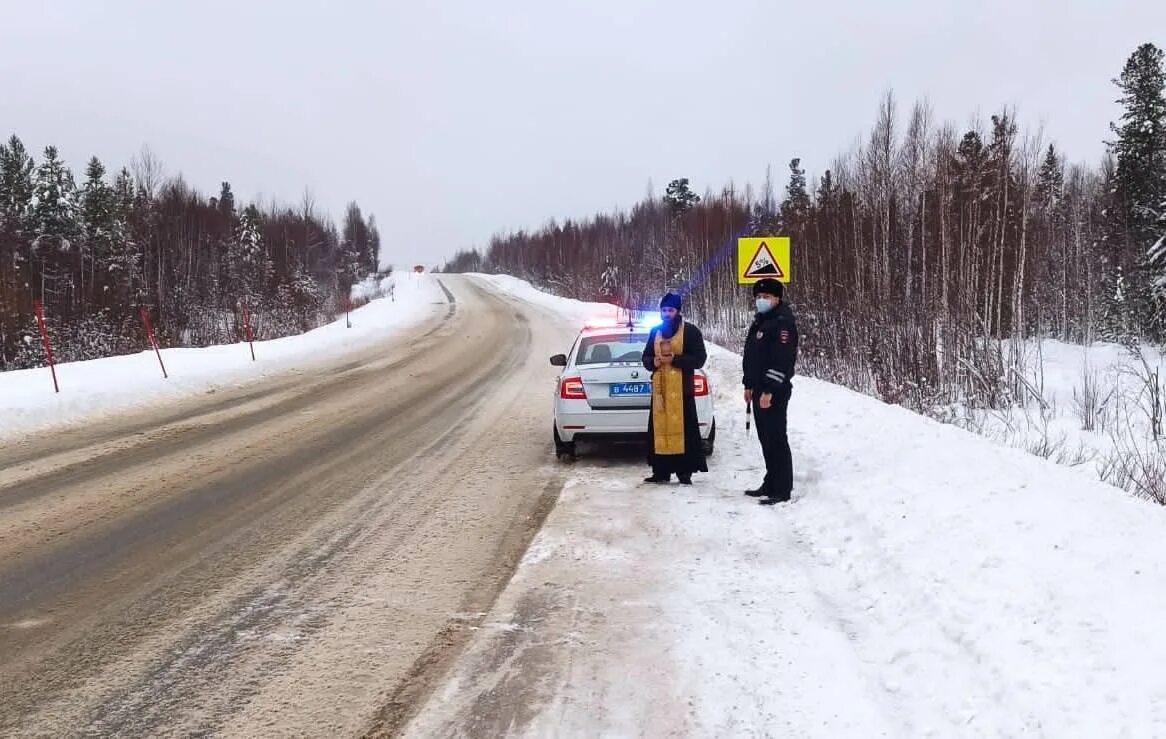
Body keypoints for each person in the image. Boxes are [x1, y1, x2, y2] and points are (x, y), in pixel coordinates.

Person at [642, 293, 709, 485]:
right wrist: (652, 362)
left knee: (684, 432)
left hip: (682, 392)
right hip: (661, 392)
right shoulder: (655, 331)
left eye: (670, 310)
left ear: (678, 311)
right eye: (663, 310)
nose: (666, 314)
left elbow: (699, 359)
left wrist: (676, 360)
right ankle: (660, 472)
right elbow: (645, 357)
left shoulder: (690, 331)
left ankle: (684, 472)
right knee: (659, 432)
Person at [742, 278, 798, 505]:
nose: (761, 300)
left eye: (766, 297)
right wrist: (748, 384)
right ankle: (770, 481)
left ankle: (782, 489)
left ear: (777, 298)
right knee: (765, 438)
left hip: (774, 391)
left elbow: (782, 361)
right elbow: (753, 357)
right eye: (758, 297)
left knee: (776, 438)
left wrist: (768, 391)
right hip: (758, 390)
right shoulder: (762, 321)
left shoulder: (782, 323)